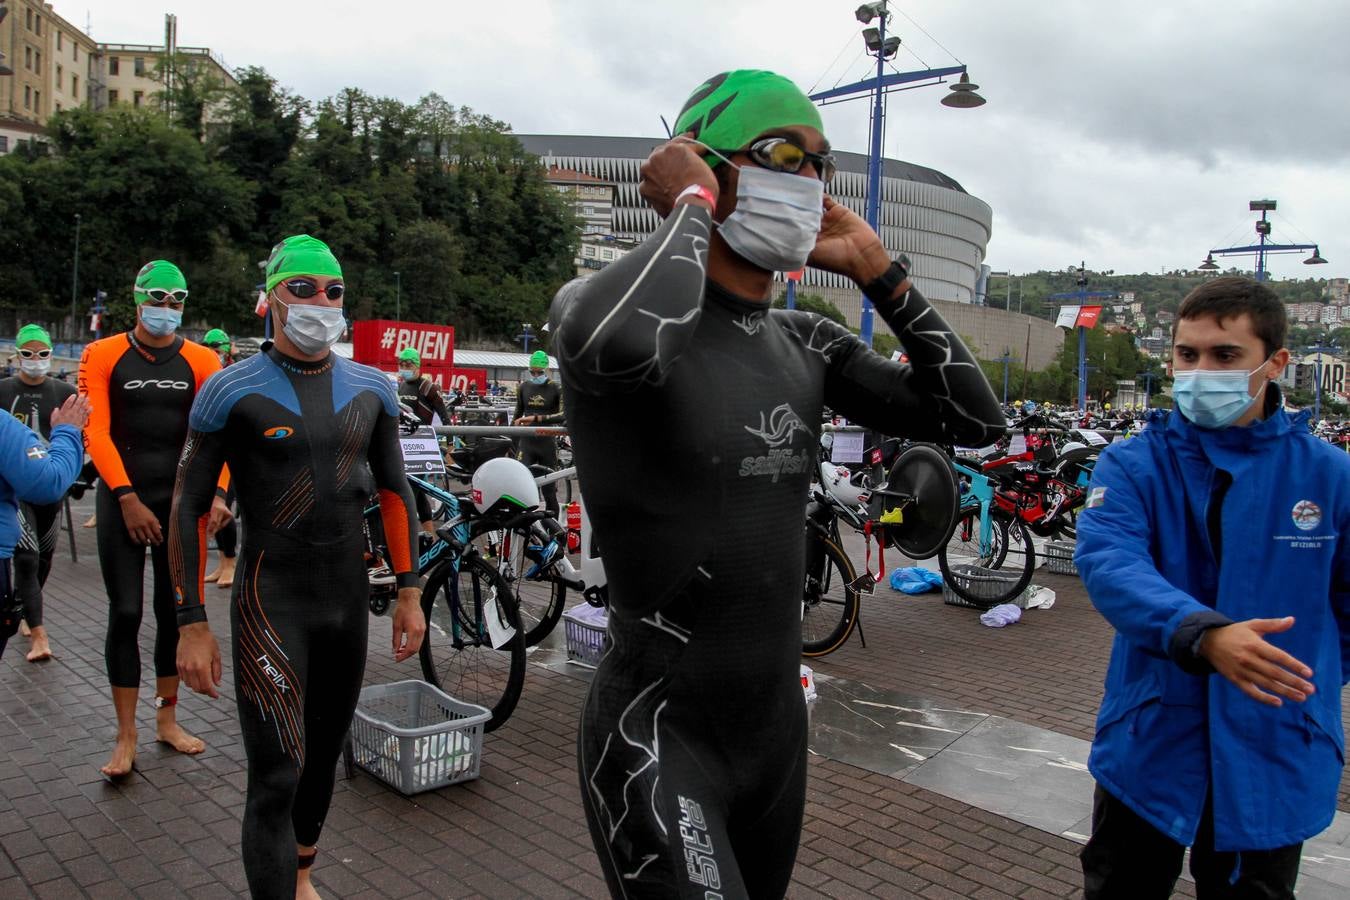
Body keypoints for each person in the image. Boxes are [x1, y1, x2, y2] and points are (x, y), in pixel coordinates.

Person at [550, 69, 1004, 897]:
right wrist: (688, 206)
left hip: (773, 734)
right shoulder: (602, 307)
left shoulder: (803, 340)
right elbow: (621, 349)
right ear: (705, 164)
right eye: (782, 153)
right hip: (658, 732)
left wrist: (877, 267)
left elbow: (975, 421)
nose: (809, 182)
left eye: (819, 164)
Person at [1075, 276, 1350, 899]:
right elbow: (1109, 561)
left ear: (1275, 363)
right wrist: (1203, 635)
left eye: (1226, 356)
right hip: (1151, 739)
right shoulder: (1134, 463)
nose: (1201, 370)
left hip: (1275, 742)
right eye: (1187, 354)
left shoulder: (1330, 476)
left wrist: (1307, 678)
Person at [172, 235, 425, 900]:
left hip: (345, 606)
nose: (321, 302)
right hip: (270, 603)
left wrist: (410, 591)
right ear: (273, 297)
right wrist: (190, 621)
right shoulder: (230, 389)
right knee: (277, 774)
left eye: (333, 291)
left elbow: (397, 495)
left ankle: (303, 873)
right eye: (304, 289)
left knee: (321, 763)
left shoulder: (373, 388)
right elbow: (190, 508)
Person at [78, 260, 231, 779]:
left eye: (177, 299)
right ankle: (126, 734)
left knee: (175, 614)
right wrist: (125, 496)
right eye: (158, 297)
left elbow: (220, 436)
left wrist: (220, 494)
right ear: (138, 298)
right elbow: (96, 432)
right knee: (125, 613)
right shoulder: (102, 353)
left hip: (180, 503)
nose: (167, 308)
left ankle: (168, 720)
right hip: (123, 500)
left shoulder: (203, 359)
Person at [0, 324, 77, 661]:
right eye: (28, 354)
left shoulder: (63, 390)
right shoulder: (3, 390)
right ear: (17, 356)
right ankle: (39, 633)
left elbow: (81, 434)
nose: (36, 360)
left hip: (50, 485)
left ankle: (27, 610)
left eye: (43, 353)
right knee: (28, 559)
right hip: (17, 491)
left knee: (43, 558)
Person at [396, 346, 454, 533]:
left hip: (422, 445)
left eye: (408, 364)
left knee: (411, 493)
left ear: (417, 365)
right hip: (403, 444)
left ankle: (409, 540)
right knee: (418, 495)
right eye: (402, 363)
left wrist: (450, 447)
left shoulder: (428, 387)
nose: (404, 367)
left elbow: (445, 418)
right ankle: (429, 536)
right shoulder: (402, 385)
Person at [199, 329, 239, 588]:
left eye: (219, 347)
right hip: (215, 451)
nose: (215, 351)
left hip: (237, 454)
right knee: (211, 506)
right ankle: (223, 561)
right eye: (209, 346)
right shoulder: (208, 373)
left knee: (226, 507)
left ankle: (231, 562)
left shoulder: (236, 374)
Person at [513, 349, 565, 517]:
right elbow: (516, 416)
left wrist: (535, 418)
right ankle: (525, 534)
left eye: (539, 372)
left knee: (549, 494)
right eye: (532, 372)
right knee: (521, 492)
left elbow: (563, 415)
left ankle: (554, 536)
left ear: (547, 370)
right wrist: (510, 443)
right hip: (526, 444)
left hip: (547, 445)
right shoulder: (523, 387)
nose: (535, 375)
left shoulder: (556, 388)